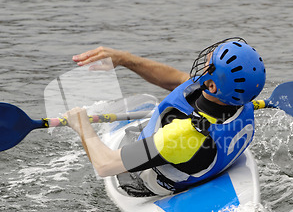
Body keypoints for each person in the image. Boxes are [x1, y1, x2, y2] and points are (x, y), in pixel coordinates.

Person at [67, 38, 266, 195]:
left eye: (208, 63)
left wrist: (82, 125)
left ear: (212, 86)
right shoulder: (241, 101)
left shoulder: (182, 135)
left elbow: (104, 165)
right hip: (195, 154)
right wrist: (125, 59)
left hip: (142, 180)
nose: (205, 60)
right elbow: (177, 81)